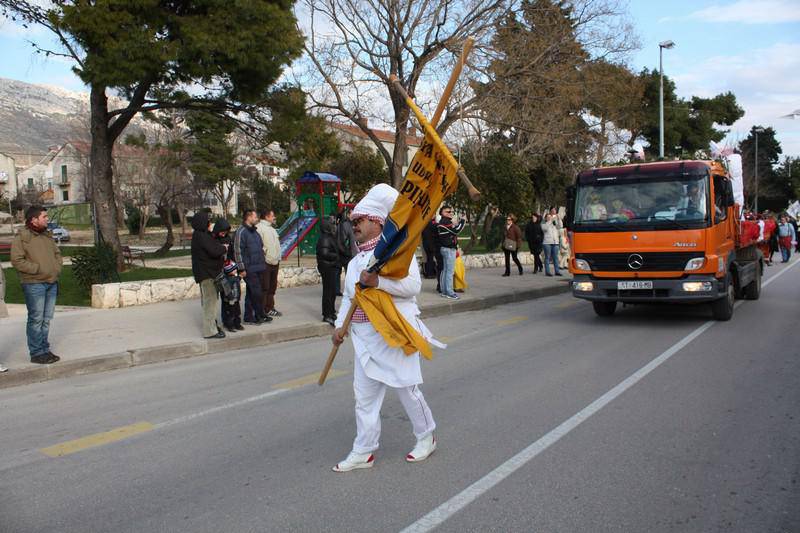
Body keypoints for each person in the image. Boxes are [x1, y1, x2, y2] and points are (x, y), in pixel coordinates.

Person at [331, 184, 440, 472]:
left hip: (393, 334)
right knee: (364, 399)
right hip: (364, 339)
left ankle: (426, 437)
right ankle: (363, 450)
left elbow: (413, 286)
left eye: (359, 221)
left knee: (407, 390)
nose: (354, 226)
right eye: (352, 222)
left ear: (377, 222)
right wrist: (339, 327)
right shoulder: (355, 263)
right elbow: (350, 297)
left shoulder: (398, 253)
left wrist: (379, 282)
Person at [10, 205, 62, 365]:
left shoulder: (47, 236)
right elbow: (17, 260)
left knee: (46, 319)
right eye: (44, 217)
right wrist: (36, 269)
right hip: (34, 284)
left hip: (51, 282)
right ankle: (37, 352)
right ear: (34, 219)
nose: (47, 219)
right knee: (36, 319)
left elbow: (57, 254)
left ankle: (44, 349)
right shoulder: (23, 237)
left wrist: (57, 267)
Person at [190, 211, 227, 339]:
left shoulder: (200, 235)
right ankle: (210, 331)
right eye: (208, 221)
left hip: (206, 273)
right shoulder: (202, 236)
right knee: (210, 302)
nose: (210, 223)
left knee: (210, 302)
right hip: (207, 275)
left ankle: (212, 325)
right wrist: (224, 248)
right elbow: (214, 250)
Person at [234, 209, 272, 325]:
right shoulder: (241, 232)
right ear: (248, 217)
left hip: (259, 267)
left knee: (251, 294)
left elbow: (260, 247)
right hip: (249, 268)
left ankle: (248, 316)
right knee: (257, 293)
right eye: (255, 217)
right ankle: (259, 314)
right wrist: (241, 268)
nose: (257, 219)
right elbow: (237, 251)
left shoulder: (255, 232)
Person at [213, 219, 243, 333]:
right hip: (221, 273)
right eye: (222, 231)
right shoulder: (214, 239)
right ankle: (228, 322)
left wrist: (236, 268)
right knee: (226, 299)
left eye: (225, 231)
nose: (223, 234)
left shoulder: (229, 239)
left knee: (235, 298)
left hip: (232, 272)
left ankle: (237, 321)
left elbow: (233, 254)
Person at [256, 209, 282, 318]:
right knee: (265, 287)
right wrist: (264, 256)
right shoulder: (259, 228)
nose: (274, 217)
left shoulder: (271, 229)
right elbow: (259, 245)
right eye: (272, 215)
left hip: (275, 262)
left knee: (272, 286)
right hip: (266, 262)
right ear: (266, 217)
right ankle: (263, 309)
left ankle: (270, 307)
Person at [436, 205, 465, 299]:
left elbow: (453, 230)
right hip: (448, 249)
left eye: (452, 211)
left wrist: (459, 222)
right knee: (449, 272)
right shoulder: (445, 222)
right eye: (448, 212)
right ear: (442, 213)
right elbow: (457, 230)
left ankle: (444, 291)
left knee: (445, 271)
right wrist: (463, 220)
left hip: (445, 249)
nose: (451, 213)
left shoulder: (445, 222)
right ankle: (449, 292)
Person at [316, 218, 340, 326]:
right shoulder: (324, 238)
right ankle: (327, 315)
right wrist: (336, 256)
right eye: (330, 224)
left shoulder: (329, 237)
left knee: (332, 291)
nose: (332, 226)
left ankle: (331, 312)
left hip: (331, 266)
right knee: (328, 292)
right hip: (327, 268)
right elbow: (324, 253)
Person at [336, 206, 359, 296]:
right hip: (348, 254)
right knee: (349, 273)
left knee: (352, 273)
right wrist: (347, 251)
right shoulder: (346, 224)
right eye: (353, 213)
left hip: (353, 253)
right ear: (349, 214)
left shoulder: (353, 224)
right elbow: (342, 240)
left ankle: (352, 291)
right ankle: (349, 292)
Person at [542, 211, 562, 276]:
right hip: (547, 243)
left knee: (555, 257)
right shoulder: (544, 224)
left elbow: (560, 226)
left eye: (550, 217)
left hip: (555, 242)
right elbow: (545, 229)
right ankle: (547, 272)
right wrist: (550, 221)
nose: (550, 218)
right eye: (548, 217)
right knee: (547, 257)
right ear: (546, 218)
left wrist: (559, 219)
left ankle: (557, 271)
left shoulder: (554, 223)